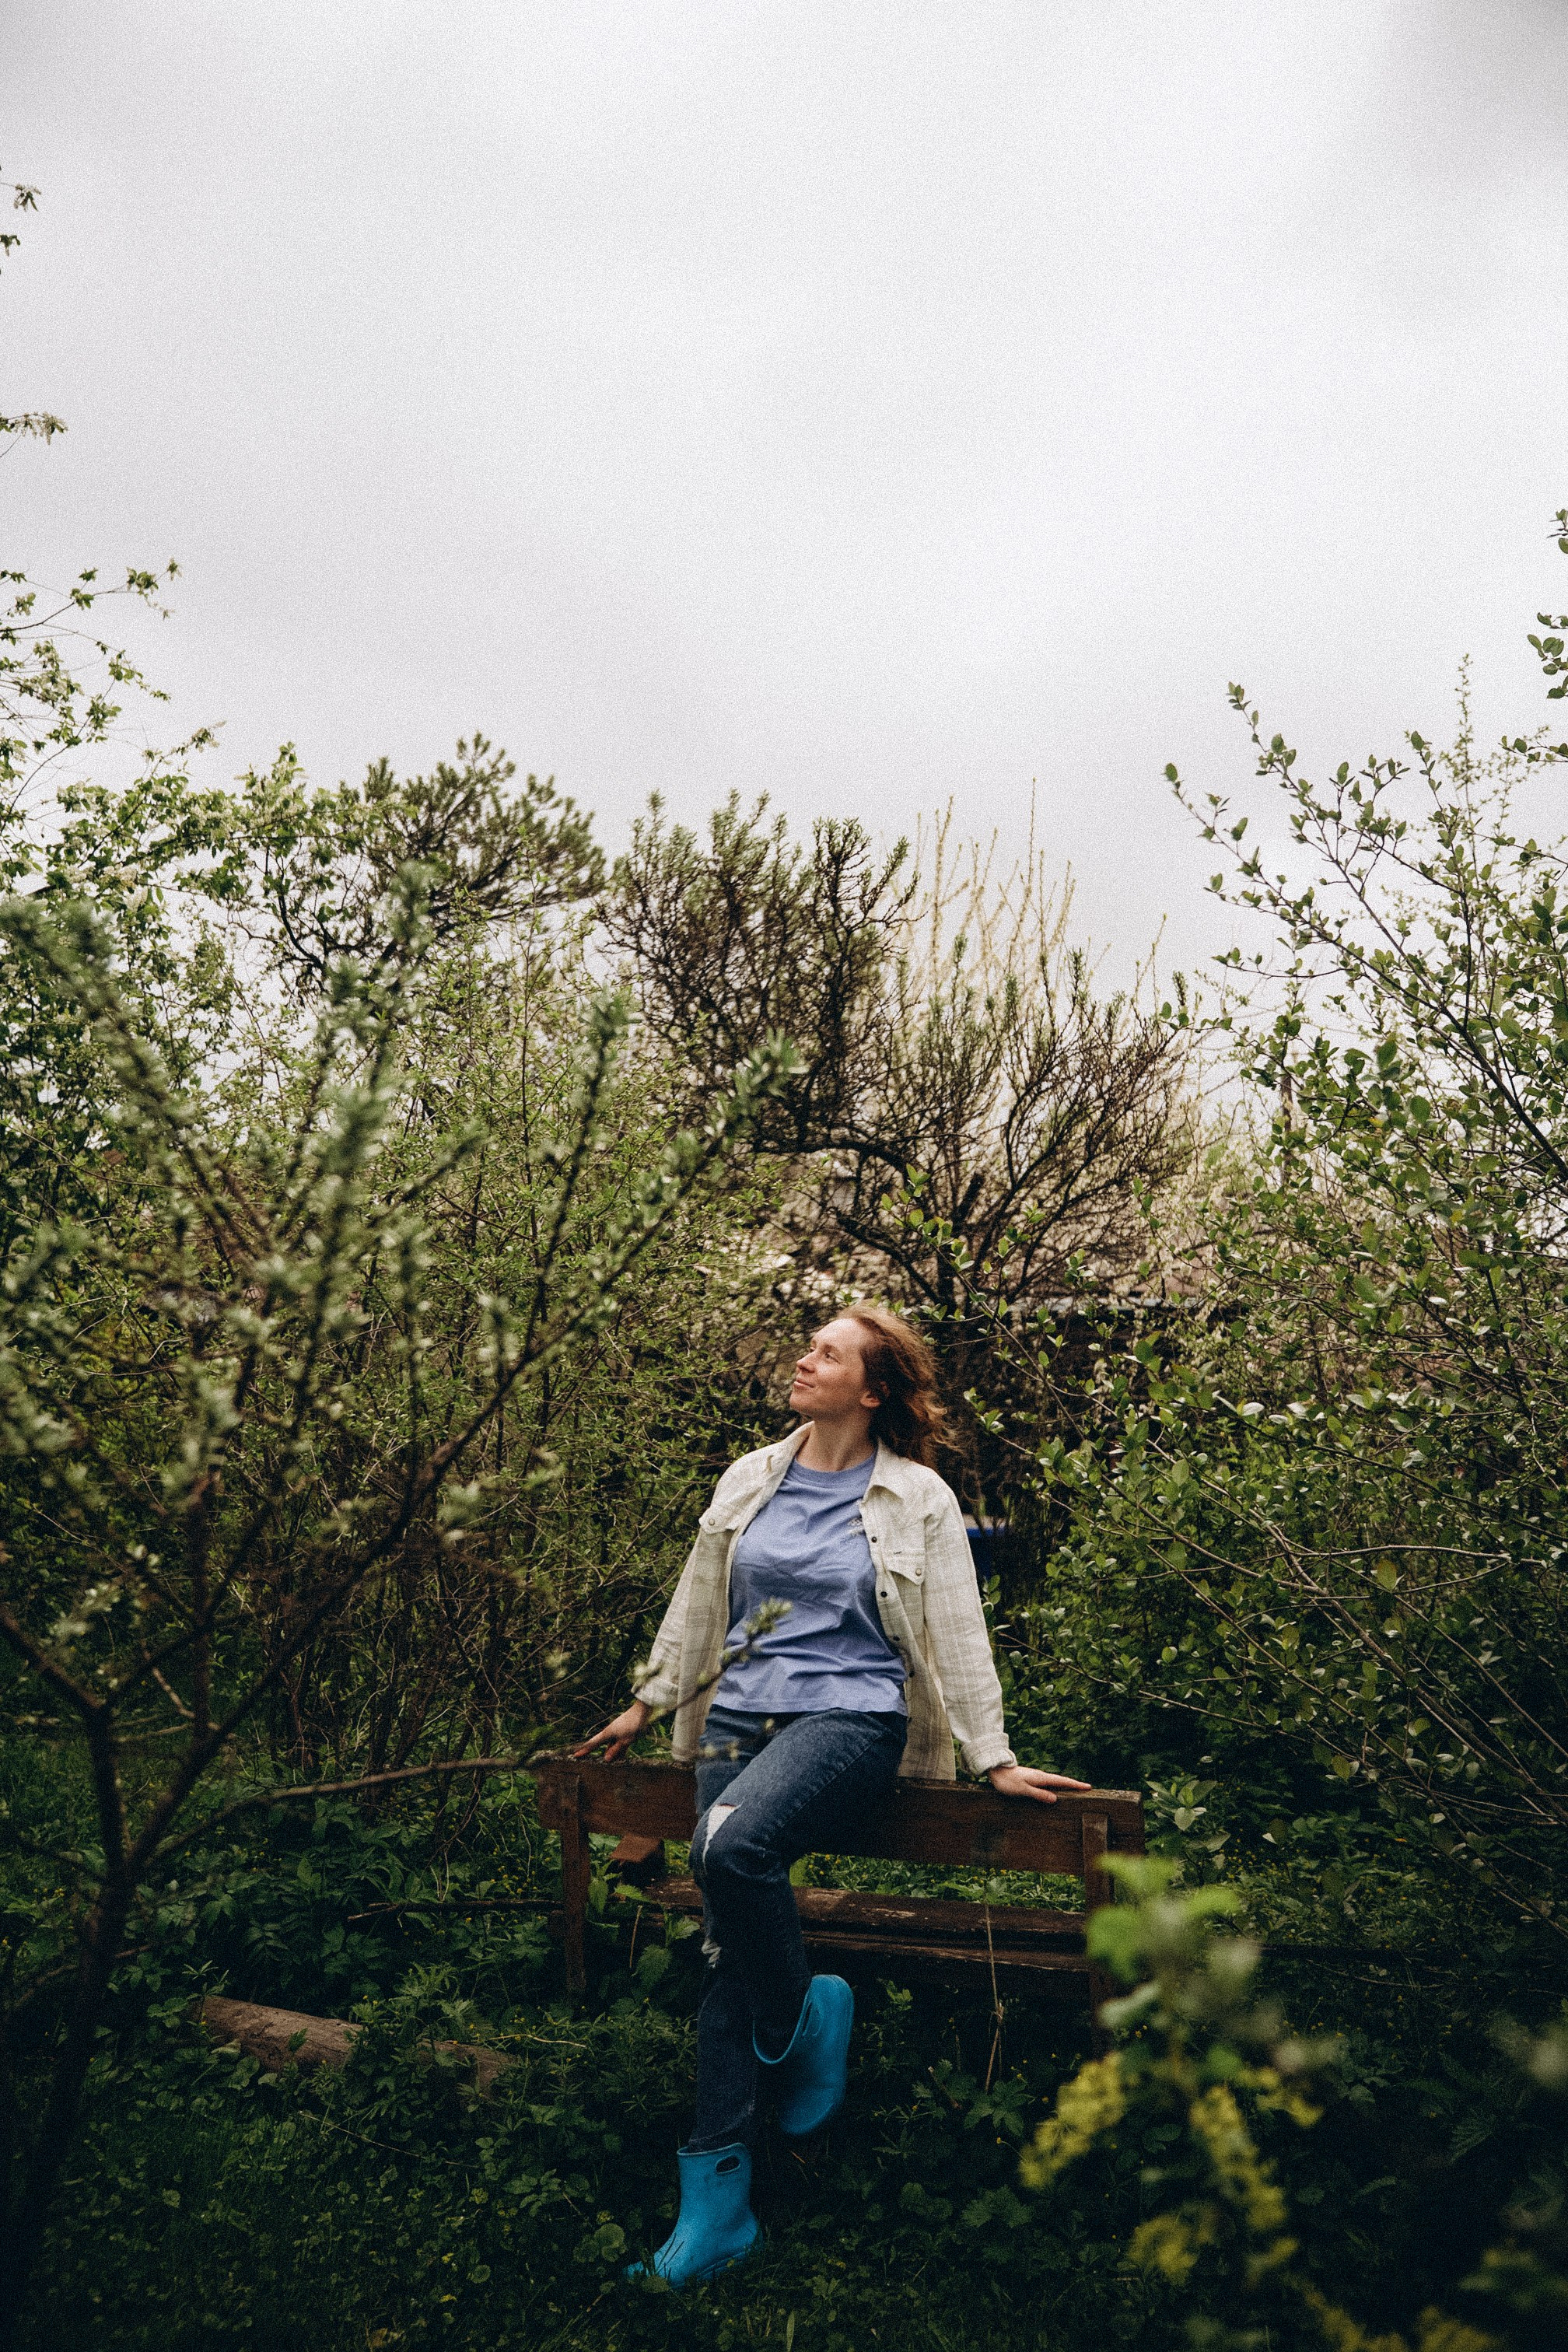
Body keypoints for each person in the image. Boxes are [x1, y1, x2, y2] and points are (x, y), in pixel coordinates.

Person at [572, 1304, 1090, 2288]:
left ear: (875, 1388)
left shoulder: (917, 1497)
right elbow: (698, 1598)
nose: (802, 1361)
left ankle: (807, 2020)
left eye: (827, 1353)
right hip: (738, 1720)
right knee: (728, 1945)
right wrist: (646, 1704)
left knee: (727, 1853)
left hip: (850, 1723)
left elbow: (954, 1628)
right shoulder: (750, 1477)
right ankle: (717, 2212)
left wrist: (994, 1756)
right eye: (808, 1347)